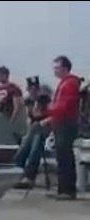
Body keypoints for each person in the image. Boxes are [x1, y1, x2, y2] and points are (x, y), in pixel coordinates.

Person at [40, 55, 82, 200]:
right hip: (61, 122)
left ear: (65, 68)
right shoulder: (64, 83)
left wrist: (48, 109)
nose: (55, 71)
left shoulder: (69, 84)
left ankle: (67, 190)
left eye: (57, 68)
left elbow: (63, 106)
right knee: (62, 156)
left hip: (66, 123)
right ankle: (63, 188)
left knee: (64, 156)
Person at [0, 66, 26, 140]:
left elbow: (17, 106)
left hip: (8, 117)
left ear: (4, 75)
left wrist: (11, 122)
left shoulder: (13, 88)